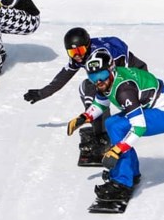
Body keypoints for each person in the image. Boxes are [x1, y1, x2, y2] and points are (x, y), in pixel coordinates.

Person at [67, 50, 164, 201]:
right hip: (160, 106)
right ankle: (130, 172)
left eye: (101, 75)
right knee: (111, 123)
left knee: (118, 127)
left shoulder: (124, 90)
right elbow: (101, 102)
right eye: (92, 77)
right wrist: (84, 117)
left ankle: (122, 183)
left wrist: (117, 150)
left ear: (111, 69)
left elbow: (139, 127)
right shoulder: (108, 80)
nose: (98, 82)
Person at [23, 27, 149, 164]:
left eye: (80, 51)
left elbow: (124, 76)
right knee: (89, 89)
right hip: (117, 77)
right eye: (72, 52)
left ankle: (104, 136)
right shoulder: (80, 57)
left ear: (88, 46)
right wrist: (42, 93)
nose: (77, 55)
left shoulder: (100, 55)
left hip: (136, 79)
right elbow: (63, 77)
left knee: (89, 90)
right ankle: (101, 132)